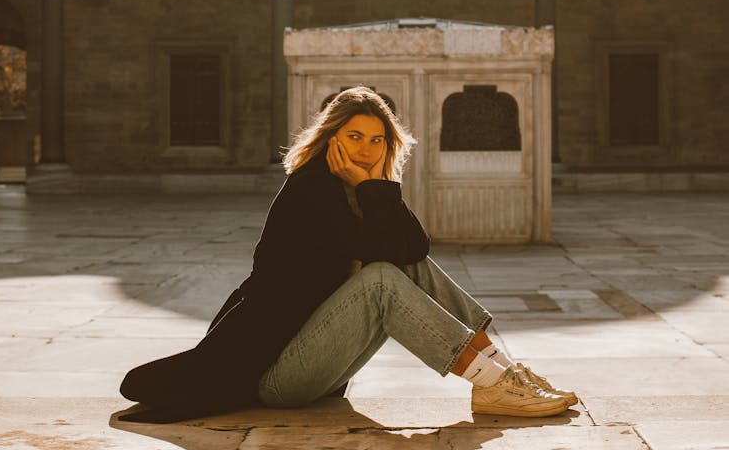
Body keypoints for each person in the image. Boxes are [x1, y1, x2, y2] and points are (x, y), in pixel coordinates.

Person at [119, 86, 576, 421]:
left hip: (317, 363)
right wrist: (373, 190)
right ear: (332, 138)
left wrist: (374, 186)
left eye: (377, 140)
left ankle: (503, 373)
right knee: (381, 279)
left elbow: (414, 249)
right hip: (275, 377)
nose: (365, 149)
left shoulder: (359, 190)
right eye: (355, 137)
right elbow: (380, 254)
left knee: (405, 265)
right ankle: (491, 380)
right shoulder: (311, 190)